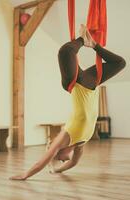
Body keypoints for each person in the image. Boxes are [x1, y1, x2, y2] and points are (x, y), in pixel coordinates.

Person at [10, 25, 126, 180]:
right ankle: (93, 45)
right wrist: (57, 170)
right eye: (61, 160)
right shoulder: (80, 144)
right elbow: (73, 164)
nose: (63, 159)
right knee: (120, 63)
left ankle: (82, 40)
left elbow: (42, 161)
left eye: (59, 157)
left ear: (59, 149)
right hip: (91, 84)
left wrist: (26, 174)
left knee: (65, 52)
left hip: (75, 83)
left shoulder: (65, 136)